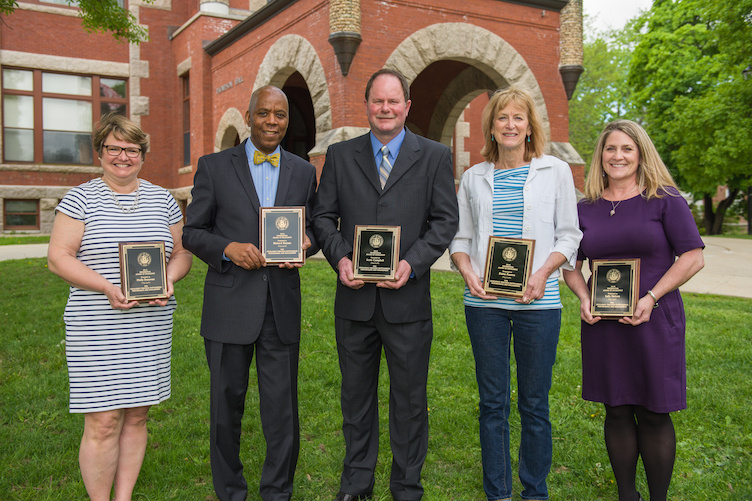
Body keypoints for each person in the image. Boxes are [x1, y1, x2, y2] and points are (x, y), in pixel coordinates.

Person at [312, 68, 458, 501]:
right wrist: (339, 257)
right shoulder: (340, 156)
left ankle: (406, 486)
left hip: (407, 302)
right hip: (354, 302)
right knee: (356, 401)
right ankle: (357, 485)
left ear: (407, 106)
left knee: (410, 403)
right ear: (367, 105)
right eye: (378, 101)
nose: (386, 109)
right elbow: (322, 217)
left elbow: (444, 221)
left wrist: (411, 265)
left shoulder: (433, 155)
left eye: (394, 101)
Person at [47, 113, 193, 501]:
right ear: (100, 153)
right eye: (114, 148)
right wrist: (107, 287)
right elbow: (58, 257)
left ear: (143, 155)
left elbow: (182, 254)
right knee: (103, 420)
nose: (123, 157)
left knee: (138, 414)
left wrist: (170, 279)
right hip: (96, 323)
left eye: (132, 149)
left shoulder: (163, 199)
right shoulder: (80, 198)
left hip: (150, 322)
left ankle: (123, 496)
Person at [182, 85, 318, 501]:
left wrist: (307, 243)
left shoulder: (303, 170)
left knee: (282, 412)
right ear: (249, 115)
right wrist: (228, 249)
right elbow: (192, 232)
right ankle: (231, 492)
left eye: (280, 115)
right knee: (226, 410)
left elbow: (312, 226)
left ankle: (277, 492)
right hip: (228, 305)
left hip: (281, 306)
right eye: (264, 113)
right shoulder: (213, 167)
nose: (272, 122)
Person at [448, 86, 582, 501]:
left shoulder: (555, 171)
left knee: (534, 403)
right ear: (490, 127)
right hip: (484, 304)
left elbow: (569, 234)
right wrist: (467, 271)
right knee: (492, 403)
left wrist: (543, 273)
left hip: (537, 304)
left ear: (529, 127)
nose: (509, 125)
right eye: (502, 117)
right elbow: (460, 237)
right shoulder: (473, 177)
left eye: (517, 118)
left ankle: (535, 491)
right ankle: (498, 492)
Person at [562, 120, 704, 501]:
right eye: (611, 149)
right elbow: (569, 266)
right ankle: (628, 495)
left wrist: (651, 297)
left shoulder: (665, 199)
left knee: (655, 411)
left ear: (640, 153)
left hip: (654, 319)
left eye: (627, 148)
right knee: (617, 409)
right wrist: (583, 296)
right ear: (601, 156)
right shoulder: (585, 209)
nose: (618, 156)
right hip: (604, 324)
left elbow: (692, 257)